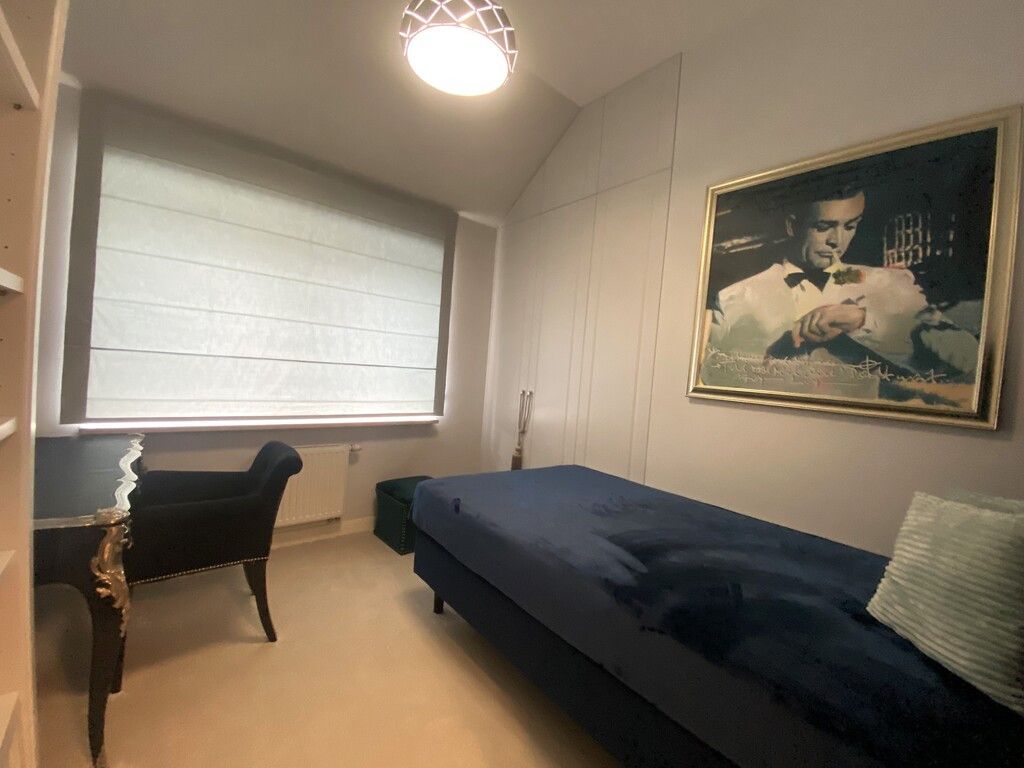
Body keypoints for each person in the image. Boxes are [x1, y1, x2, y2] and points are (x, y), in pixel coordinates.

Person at [706, 184, 979, 380]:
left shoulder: (890, 283)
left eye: (850, 226)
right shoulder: (736, 297)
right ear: (792, 226)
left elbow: (969, 358)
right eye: (823, 227)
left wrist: (864, 321)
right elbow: (710, 374)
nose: (837, 241)